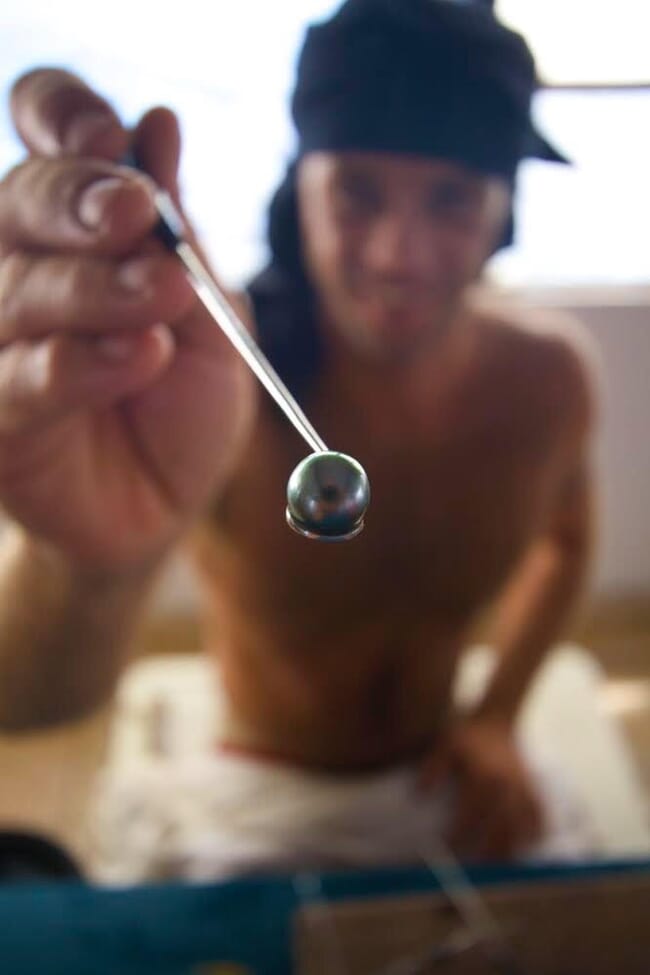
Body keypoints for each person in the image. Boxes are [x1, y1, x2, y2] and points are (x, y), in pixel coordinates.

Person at [0, 0, 598, 876]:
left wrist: (498, 714)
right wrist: (89, 564)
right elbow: (24, 702)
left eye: (451, 199)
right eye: (357, 190)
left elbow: (569, 543)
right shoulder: (202, 384)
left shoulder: (549, 382)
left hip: (446, 779)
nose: (398, 253)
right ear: (300, 187)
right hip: (256, 800)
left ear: (503, 210)